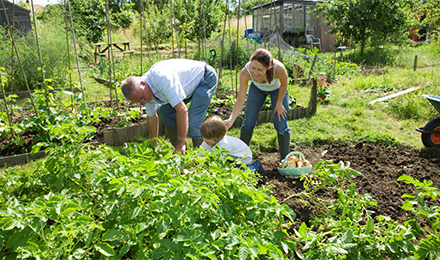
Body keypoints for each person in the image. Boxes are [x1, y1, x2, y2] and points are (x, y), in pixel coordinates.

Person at [120, 59, 218, 155]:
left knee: (194, 119)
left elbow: (182, 110)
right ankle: (181, 154)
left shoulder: (162, 78)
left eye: (142, 97)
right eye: (139, 101)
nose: (143, 102)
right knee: (165, 112)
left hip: (204, 78)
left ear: (143, 83)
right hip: (187, 86)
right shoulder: (145, 92)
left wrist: (181, 142)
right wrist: (154, 144)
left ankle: (201, 156)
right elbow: (151, 116)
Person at [224, 48, 290, 160]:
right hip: (257, 89)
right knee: (248, 121)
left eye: (260, 69)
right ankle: (241, 156)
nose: (255, 72)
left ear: (268, 67)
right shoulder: (245, 72)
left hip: (277, 89)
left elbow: (284, 84)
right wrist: (231, 118)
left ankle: (285, 160)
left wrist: (279, 103)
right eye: (253, 68)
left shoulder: (278, 68)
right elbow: (240, 99)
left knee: (281, 123)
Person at [198, 116, 265, 175]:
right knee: (227, 168)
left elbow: (217, 163)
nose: (204, 139)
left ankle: (255, 167)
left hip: (243, 158)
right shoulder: (207, 142)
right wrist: (191, 162)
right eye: (203, 137)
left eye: (207, 138)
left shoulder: (224, 144)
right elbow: (200, 154)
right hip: (231, 157)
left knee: (237, 173)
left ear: (217, 137)